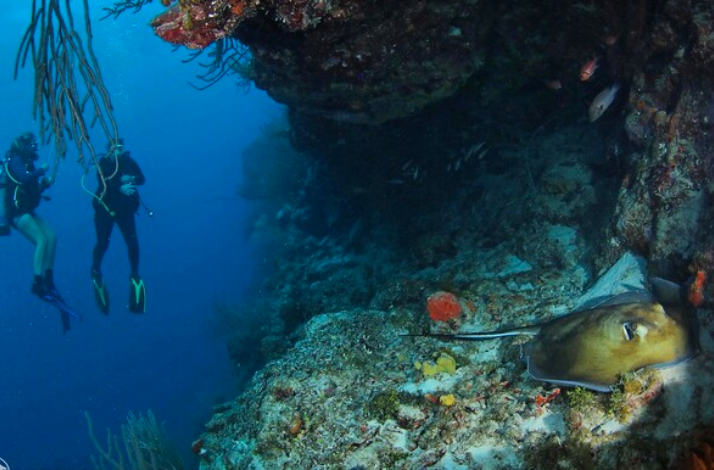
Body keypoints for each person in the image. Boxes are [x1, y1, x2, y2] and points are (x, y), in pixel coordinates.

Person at [2, 132, 79, 331]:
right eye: (33, 144)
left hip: (26, 209)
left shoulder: (27, 161)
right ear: (25, 145)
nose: (36, 147)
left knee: (51, 237)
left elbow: (31, 186)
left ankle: (48, 279)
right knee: (41, 241)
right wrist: (41, 172)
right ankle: (37, 283)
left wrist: (43, 183)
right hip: (17, 213)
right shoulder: (15, 161)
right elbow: (22, 177)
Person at [91, 139, 146, 314]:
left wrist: (133, 179)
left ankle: (135, 275)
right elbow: (102, 182)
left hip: (124, 210)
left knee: (132, 242)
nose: (118, 152)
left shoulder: (129, 161)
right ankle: (95, 271)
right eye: (114, 149)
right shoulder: (104, 163)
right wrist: (119, 187)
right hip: (105, 210)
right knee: (103, 243)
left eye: (120, 148)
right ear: (108, 151)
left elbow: (142, 179)